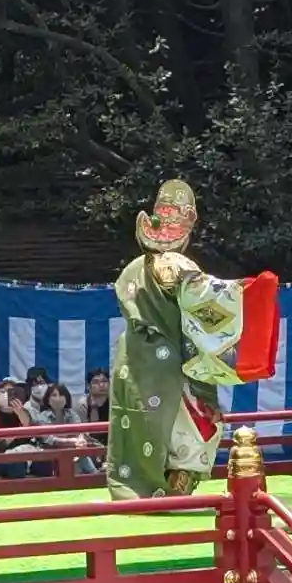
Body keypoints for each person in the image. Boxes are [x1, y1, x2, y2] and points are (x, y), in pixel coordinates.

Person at [105, 180, 225, 498]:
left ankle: (133, 490)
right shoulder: (185, 268)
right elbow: (202, 321)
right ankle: (174, 488)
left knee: (137, 426)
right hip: (173, 358)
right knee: (195, 425)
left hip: (132, 356)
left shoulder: (131, 270)